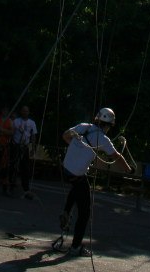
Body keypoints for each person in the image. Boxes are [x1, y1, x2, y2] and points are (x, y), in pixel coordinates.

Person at [59, 107, 132, 258]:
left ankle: (66, 210)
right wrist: (129, 170)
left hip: (66, 169)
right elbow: (117, 157)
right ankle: (75, 246)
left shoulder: (82, 126)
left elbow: (65, 136)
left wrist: (76, 150)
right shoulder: (103, 140)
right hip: (76, 175)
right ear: (108, 125)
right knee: (85, 212)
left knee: (79, 183)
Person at [10, 104, 37, 198]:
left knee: (25, 168)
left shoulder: (32, 123)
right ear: (21, 111)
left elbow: (33, 136)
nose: (25, 112)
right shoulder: (16, 121)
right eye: (23, 110)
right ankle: (11, 186)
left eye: (26, 111)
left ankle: (26, 189)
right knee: (13, 165)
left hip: (25, 146)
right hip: (16, 145)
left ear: (28, 112)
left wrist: (33, 148)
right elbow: (12, 132)